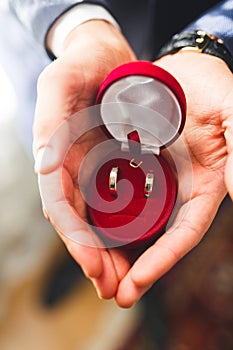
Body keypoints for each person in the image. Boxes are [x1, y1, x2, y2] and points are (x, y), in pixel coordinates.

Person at [9, 0, 233, 308]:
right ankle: (81, 262)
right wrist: (82, 30)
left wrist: (217, 43)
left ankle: (153, 286)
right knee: (66, 192)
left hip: (201, 65)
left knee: (196, 200)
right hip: (61, 64)